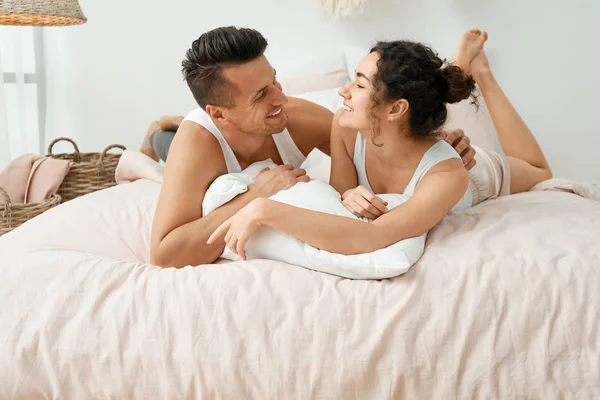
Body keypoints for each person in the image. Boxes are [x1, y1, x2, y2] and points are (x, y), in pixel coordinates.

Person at [206, 30, 553, 260]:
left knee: (539, 171)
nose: (342, 92)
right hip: (408, 136)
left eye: (357, 84)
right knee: (419, 99)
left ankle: (481, 73)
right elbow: (340, 202)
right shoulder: (344, 128)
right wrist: (345, 194)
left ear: (395, 108)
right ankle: (458, 68)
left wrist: (264, 209)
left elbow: (370, 238)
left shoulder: (450, 175)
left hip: (477, 177)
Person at [148, 26, 476, 268]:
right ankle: (161, 131)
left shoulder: (296, 118)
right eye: (261, 94)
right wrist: (253, 198)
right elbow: (165, 255)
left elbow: (379, 141)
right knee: (165, 144)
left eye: (274, 80)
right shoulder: (197, 144)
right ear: (218, 115)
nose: (281, 97)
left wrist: (433, 139)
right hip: (189, 142)